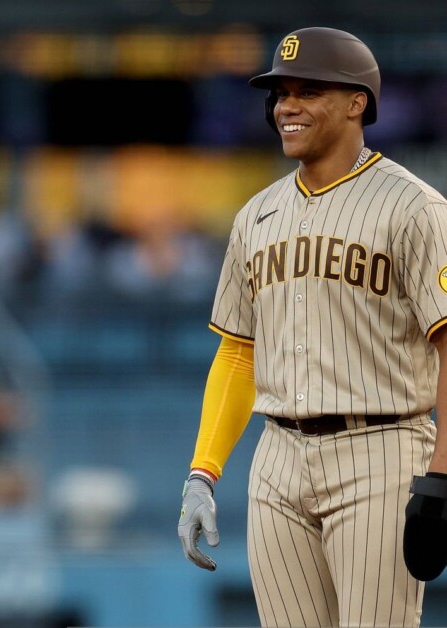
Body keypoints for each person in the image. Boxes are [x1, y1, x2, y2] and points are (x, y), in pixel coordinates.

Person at [177, 27, 447, 627]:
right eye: (280, 94)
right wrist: (203, 473)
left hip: (380, 448)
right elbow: (239, 355)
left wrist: (441, 476)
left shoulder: (415, 208)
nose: (286, 107)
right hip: (277, 458)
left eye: (307, 91)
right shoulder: (256, 215)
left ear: (358, 103)